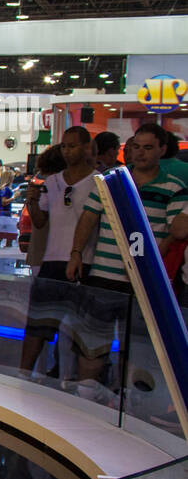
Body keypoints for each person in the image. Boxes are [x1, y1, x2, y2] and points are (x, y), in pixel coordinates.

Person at [67, 123, 188, 400]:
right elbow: (88, 217)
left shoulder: (174, 187)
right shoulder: (112, 181)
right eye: (136, 146)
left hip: (144, 281)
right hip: (104, 275)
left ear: (162, 149)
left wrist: (149, 263)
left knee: (137, 346)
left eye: (148, 147)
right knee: (93, 340)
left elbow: (172, 232)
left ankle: (128, 402)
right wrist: (76, 253)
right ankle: (86, 395)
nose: (140, 153)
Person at [20, 128, 94, 381]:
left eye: (73, 146)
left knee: (76, 330)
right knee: (37, 326)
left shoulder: (99, 182)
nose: (67, 151)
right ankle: (22, 376)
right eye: (64, 146)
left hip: (85, 263)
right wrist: (31, 201)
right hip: (51, 262)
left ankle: (71, 381)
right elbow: (41, 222)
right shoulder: (52, 183)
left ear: (86, 147)